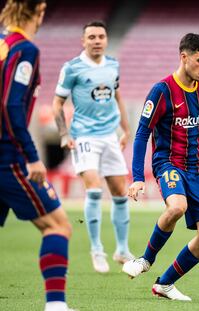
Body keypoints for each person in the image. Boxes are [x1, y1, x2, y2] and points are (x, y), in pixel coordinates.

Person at [123, 33, 199, 301]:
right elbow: (143, 133)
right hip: (168, 162)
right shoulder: (162, 91)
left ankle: (164, 284)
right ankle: (145, 259)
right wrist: (137, 177)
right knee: (177, 206)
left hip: (198, 167)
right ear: (184, 57)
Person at [0, 1, 74, 310]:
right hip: (8, 155)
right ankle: (55, 305)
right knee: (58, 226)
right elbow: (10, 105)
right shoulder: (24, 50)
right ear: (38, 11)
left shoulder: (3, 45)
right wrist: (31, 156)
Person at [52, 21, 133, 273]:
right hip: (84, 136)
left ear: (106, 40)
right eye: (92, 37)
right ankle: (97, 249)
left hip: (109, 135)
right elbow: (57, 104)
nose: (97, 40)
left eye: (101, 36)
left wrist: (126, 129)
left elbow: (117, 96)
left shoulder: (112, 65)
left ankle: (121, 249)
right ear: (83, 41)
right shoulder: (72, 68)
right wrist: (64, 135)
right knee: (95, 191)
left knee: (121, 193)